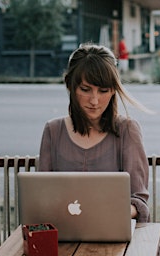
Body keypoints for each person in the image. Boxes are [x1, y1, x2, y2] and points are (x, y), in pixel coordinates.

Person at [38, 43, 151, 223]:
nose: (95, 100)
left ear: (113, 90)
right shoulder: (53, 131)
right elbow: (41, 196)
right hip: (65, 236)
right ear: (70, 86)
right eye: (85, 89)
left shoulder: (127, 130)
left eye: (103, 91)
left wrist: (109, 214)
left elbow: (139, 200)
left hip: (117, 239)